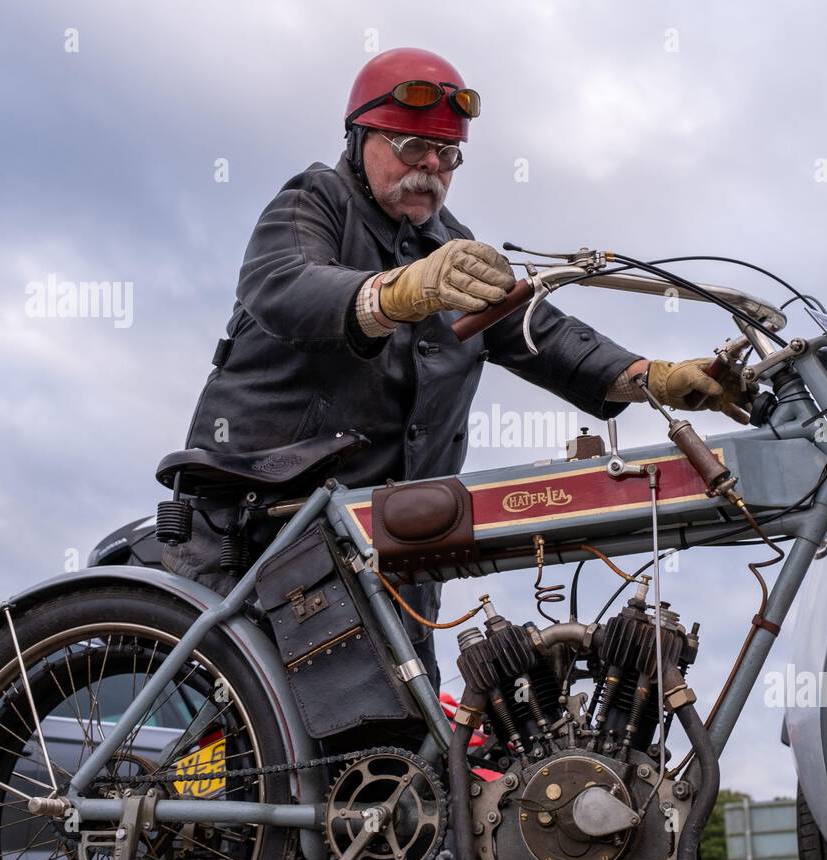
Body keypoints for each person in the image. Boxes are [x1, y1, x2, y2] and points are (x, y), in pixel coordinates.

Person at [161, 47, 755, 688]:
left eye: (448, 155)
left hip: (393, 541)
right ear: (362, 136)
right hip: (262, 524)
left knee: (393, 742)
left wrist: (653, 377)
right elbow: (284, 285)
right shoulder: (314, 201)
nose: (432, 168)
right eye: (415, 145)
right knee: (241, 724)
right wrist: (399, 293)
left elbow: (540, 333)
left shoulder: (449, 244)